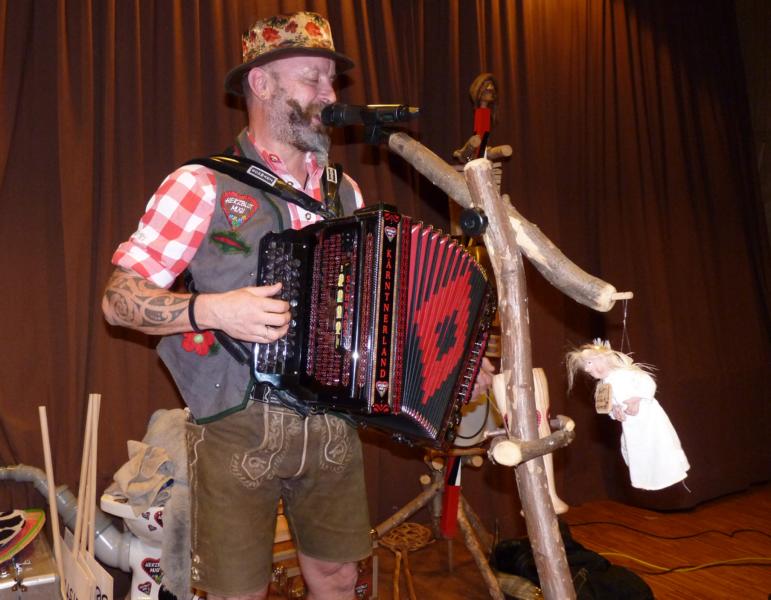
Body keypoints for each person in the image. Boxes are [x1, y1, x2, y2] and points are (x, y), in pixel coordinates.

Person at [103, 10, 494, 600]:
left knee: (338, 577)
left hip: (333, 422)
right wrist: (213, 309)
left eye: (331, 80)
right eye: (312, 78)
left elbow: (380, 312)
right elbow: (118, 300)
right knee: (238, 592)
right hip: (236, 423)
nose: (329, 94)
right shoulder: (202, 184)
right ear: (261, 83)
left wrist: (455, 361)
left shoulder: (345, 193)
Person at [566, 340, 690, 491]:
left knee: (658, 445)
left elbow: (648, 383)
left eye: (589, 363)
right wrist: (615, 410)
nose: (587, 368)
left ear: (603, 358)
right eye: (586, 365)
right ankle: (647, 479)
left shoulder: (626, 374)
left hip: (649, 419)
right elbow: (609, 404)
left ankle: (669, 473)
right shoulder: (604, 385)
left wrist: (637, 399)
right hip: (631, 425)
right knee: (639, 452)